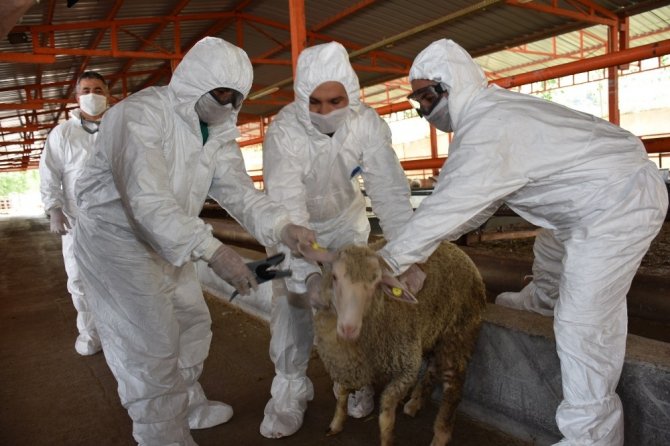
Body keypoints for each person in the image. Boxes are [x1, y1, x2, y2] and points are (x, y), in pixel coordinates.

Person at [376, 39, 668, 446]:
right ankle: (543, 301)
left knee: (583, 322)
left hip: (618, 204)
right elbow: (475, 208)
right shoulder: (489, 116)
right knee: (550, 249)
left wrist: (387, 261)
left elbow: (448, 205)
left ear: (453, 84)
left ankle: (592, 434)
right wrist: (420, 256)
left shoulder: (488, 127)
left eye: (428, 96)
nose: (425, 110)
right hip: (583, 201)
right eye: (418, 101)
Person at [72, 37, 315, 446]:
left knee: (190, 324)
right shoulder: (138, 117)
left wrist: (282, 226)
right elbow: (146, 202)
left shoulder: (216, 129)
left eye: (237, 97)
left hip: (172, 239)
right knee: (149, 345)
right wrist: (214, 251)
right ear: (195, 81)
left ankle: (186, 403)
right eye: (222, 93)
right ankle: (162, 434)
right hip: (118, 244)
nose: (229, 105)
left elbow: (238, 190)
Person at [259, 41, 423, 439]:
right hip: (294, 228)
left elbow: (388, 191)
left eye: (336, 100)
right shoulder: (284, 133)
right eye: (314, 102)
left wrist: (410, 256)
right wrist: (307, 273)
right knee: (293, 307)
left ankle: (352, 380)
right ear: (301, 98)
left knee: (353, 302)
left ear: (351, 93)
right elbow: (286, 207)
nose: (326, 111)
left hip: (346, 224)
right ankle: (290, 388)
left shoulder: (365, 123)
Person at [38, 70, 110, 356]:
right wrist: (53, 209)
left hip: (117, 221)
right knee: (79, 279)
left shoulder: (120, 127)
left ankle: (121, 333)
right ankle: (90, 332)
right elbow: (49, 173)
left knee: (121, 279)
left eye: (98, 89)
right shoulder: (63, 133)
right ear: (77, 96)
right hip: (76, 221)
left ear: (109, 94)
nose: (92, 95)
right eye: (86, 90)